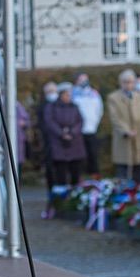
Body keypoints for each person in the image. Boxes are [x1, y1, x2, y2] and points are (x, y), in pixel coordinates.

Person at [42, 83, 87, 215]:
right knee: (60, 177)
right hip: (58, 146)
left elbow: (80, 122)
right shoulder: (51, 107)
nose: (69, 97)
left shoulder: (75, 107)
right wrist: (62, 133)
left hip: (75, 145)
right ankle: (59, 205)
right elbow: (49, 122)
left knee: (75, 175)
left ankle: (75, 202)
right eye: (67, 94)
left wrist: (72, 132)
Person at [107, 69, 140, 183]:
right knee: (123, 170)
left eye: (130, 82)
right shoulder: (113, 98)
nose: (128, 85)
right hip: (124, 139)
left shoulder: (139, 97)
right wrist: (126, 131)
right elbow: (115, 118)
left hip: (139, 139)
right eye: (125, 82)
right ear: (120, 83)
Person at [72, 72, 104, 177]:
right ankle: (79, 179)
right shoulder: (72, 93)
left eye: (85, 79)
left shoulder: (94, 94)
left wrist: (94, 124)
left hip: (91, 130)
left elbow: (99, 110)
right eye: (81, 79)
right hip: (77, 131)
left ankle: (94, 178)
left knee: (93, 155)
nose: (84, 82)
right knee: (78, 157)